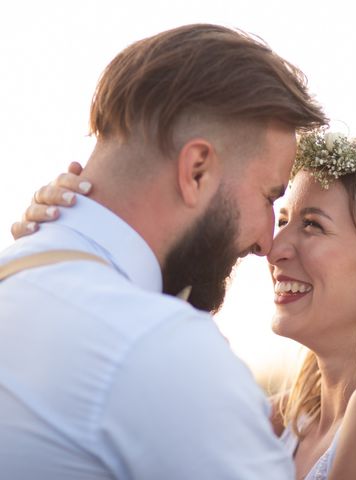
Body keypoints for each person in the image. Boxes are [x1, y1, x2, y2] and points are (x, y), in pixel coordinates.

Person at [16, 130, 356, 479]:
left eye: (312, 225)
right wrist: (76, 241)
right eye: (283, 217)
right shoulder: (279, 421)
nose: (274, 246)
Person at [0, 24, 326, 479]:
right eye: (270, 197)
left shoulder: (19, 275)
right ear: (196, 170)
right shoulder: (158, 347)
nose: (266, 242)